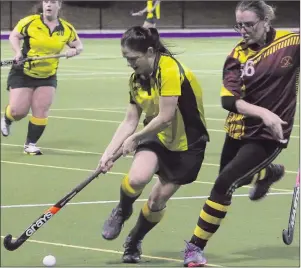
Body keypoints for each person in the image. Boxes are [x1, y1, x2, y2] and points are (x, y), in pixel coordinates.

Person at [183, 1, 300, 266]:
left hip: (271, 134)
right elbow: (228, 101)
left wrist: (272, 118)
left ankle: (194, 248)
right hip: (238, 129)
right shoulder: (237, 55)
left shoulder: (292, 41)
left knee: (223, 183)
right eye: (239, 25)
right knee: (230, 182)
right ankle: (268, 173)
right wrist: (263, 113)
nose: (243, 30)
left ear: (265, 20)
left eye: (249, 24)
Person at [96, 26, 209, 264]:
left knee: (157, 201)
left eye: (132, 59)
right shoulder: (136, 79)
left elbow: (166, 116)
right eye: (126, 59)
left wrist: (135, 138)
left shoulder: (169, 69)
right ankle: (122, 210)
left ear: (149, 51)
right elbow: (130, 120)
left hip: (188, 143)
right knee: (137, 178)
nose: (129, 64)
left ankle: (135, 239)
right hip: (156, 135)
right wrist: (108, 152)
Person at [1, 0, 83, 155]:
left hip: (48, 75)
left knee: (42, 109)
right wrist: (18, 52)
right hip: (23, 72)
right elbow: (14, 36)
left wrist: (74, 51)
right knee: (18, 111)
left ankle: (30, 144)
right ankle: (6, 118)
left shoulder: (66, 28)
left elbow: (79, 46)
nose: (48, 5)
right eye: (46, 1)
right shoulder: (30, 22)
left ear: (59, 5)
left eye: (52, 2)